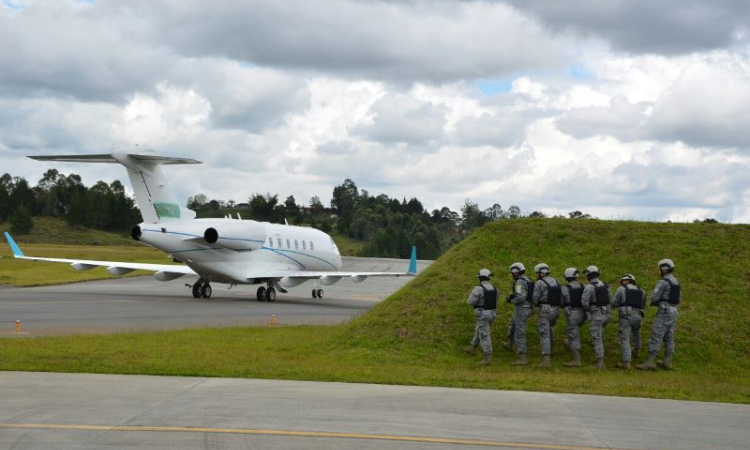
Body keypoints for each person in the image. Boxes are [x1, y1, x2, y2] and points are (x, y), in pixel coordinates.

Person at [637, 259, 681, 371]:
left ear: (664, 268)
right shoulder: (676, 282)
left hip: (664, 311)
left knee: (656, 335)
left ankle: (651, 362)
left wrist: (657, 302)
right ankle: (667, 361)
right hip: (674, 311)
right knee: (669, 336)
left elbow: (654, 298)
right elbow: (678, 299)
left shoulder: (663, 282)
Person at [463, 268, 499, 366]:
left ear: (479, 278)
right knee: (479, 330)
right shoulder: (495, 288)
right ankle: (473, 348)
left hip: (482, 314)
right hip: (492, 313)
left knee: (484, 335)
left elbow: (470, 302)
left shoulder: (478, 288)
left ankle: (487, 358)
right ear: (489, 278)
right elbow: (496, 299)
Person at [611, 274, 646, 370]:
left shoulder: (621, 289)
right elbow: (643, 305)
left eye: (624, 281)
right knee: (637, 333)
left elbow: (614, 303)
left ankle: (626, 363)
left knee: (624, 338)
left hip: (626, 315)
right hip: (638, 315)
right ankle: (637, 351)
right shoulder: (641, 290)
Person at [581, 265, 611, 369]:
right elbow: (610, 300)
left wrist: (588, 310)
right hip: (606, 315)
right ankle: (600, 359)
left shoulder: (589, 287)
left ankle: (600, 363)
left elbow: (584, 303)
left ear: (588, 276)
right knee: (601, 336)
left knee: (596, 338)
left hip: (596, 315)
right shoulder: (606, 285)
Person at [532, 263, 561, 367]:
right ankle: (551, 350)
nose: (536, 275)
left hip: (545, 310)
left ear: (540, 273)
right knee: (550, 330)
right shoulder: (557, 281)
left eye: (537, 273)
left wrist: (535, 304)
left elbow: (535, 298)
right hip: (556, 310)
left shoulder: (539, 282)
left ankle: (546, 360)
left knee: (544, 334)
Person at [506, 262, 534, 366]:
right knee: (513, 323)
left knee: (519, 332)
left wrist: (512, 300)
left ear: (515, 272)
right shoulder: (528, 279)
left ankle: (522, 358)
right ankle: (509, 344)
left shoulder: (519, 282)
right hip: (529, 307)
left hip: (522, 309)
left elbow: (521, 297)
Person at [561, 267, 585, 367]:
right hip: (583, 314)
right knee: (573, 334)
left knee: (574, 336)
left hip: (573, 314)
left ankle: (576, 360)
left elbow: (562, 302)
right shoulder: (583, 286)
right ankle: (569, 344)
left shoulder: (565, 288)